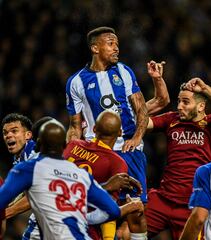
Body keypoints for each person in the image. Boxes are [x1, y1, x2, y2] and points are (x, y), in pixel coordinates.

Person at [65, 26, 169, 204]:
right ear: (95, 48)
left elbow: (141, 108)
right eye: (111, 44)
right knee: (97, 206)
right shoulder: (76, 82)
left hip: (128, 151)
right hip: (97, 153)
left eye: (117, 44)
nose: (116, 48)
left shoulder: (124, 71)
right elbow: (75, 126)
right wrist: (71, 155)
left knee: (136, 210)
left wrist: (137, 138)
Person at [0, 119, 144, 239]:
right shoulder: (81, 175)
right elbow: (110, 212)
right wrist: (127, 206)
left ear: (37, 144)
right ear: (64, 146)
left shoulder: (29, 168)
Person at [145, 77, 211, 239]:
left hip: (193, 206)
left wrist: (205, 89)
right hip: (163, 199)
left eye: (185, 102)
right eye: (179, 101)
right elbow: (141, 123)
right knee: (125, 233)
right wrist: (157, 86)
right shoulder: (171, 120)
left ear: (201, 106)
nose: (180, 106)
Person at [63, 109, 147, 240]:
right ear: (120, 133)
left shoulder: (73, 145)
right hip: (83, 229)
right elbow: (108, 211)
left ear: (94, 129)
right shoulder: (117, 163)